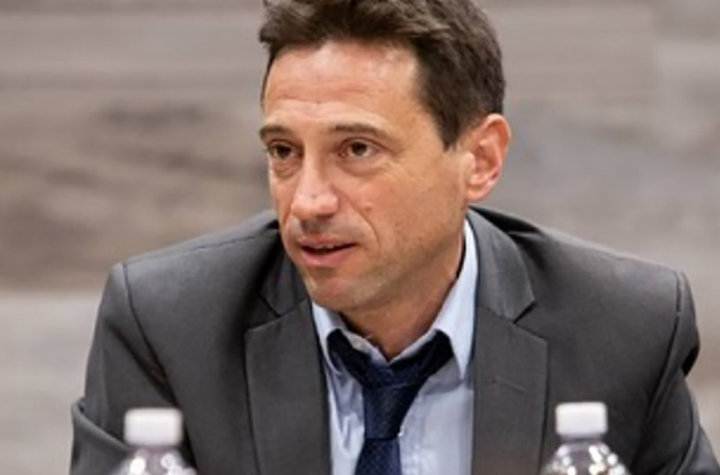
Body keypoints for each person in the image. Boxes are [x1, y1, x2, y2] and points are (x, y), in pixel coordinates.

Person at [70, 1, 719, 474]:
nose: (308, 201)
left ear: (481, 159)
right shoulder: (169, 324)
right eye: (284, 151)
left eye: (357, 149)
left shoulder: (623, 327)